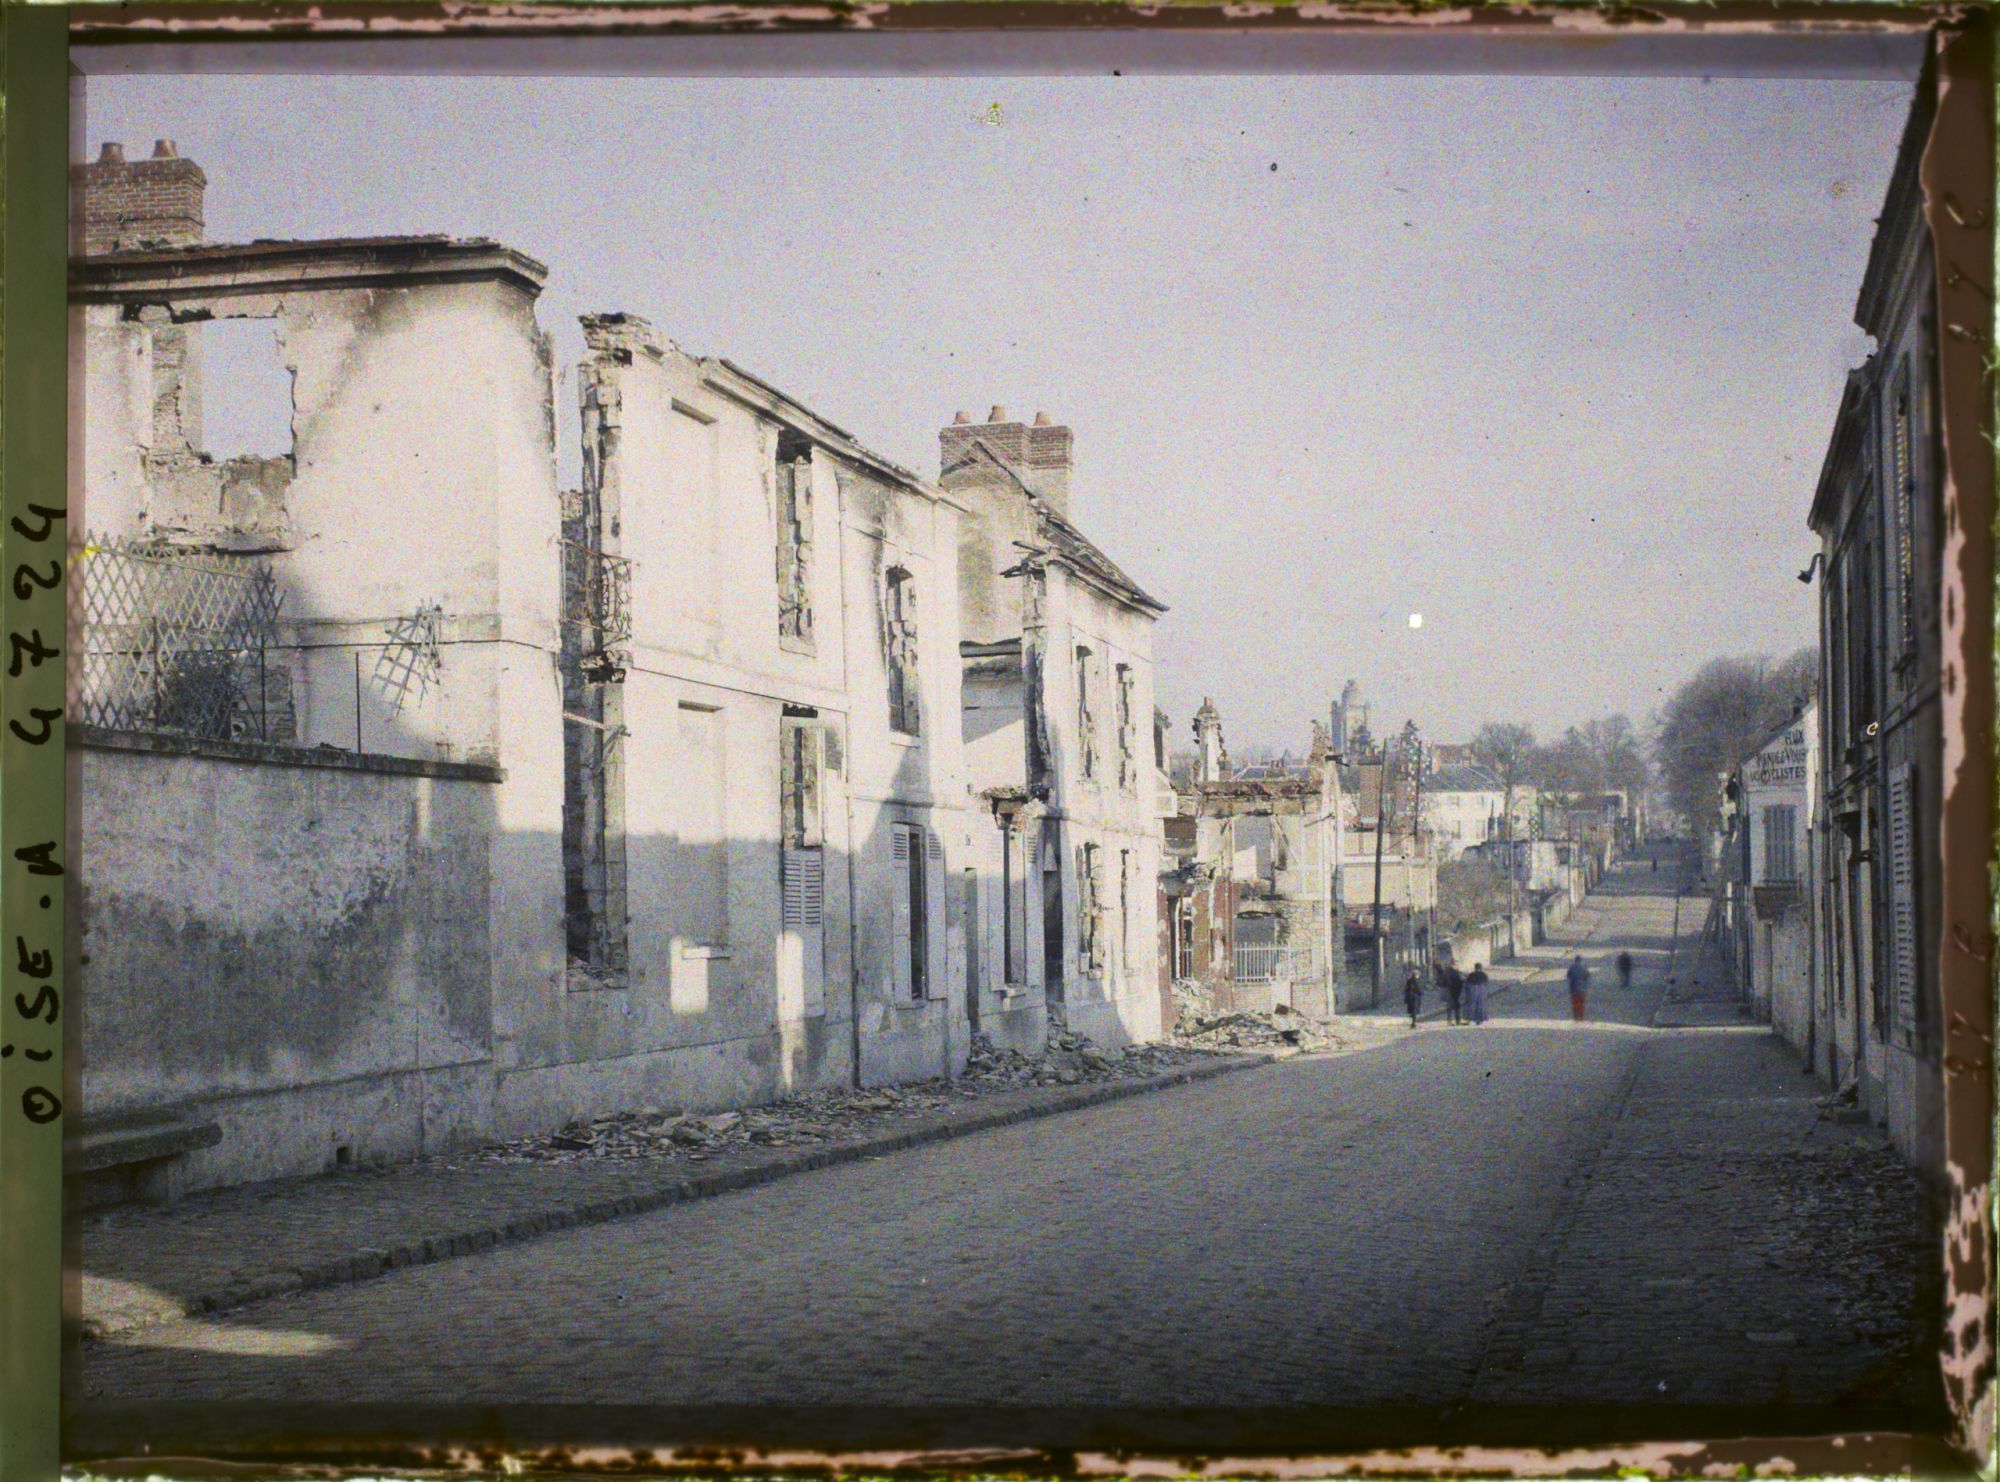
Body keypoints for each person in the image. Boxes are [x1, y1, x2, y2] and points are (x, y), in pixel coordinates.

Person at [1566, 954, 1591, 1021]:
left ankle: (1576, 1016)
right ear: (1580, 961)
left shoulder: (1572, 967)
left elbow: (1568, 976)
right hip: (1583, 989)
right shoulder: (1584, 968)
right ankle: (1581, 1017)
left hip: (1574, 989)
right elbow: (1588, 976)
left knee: (1575, 1003)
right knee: (1582, 1003)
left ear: (1575, 960)